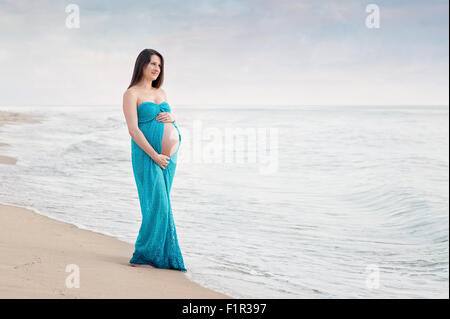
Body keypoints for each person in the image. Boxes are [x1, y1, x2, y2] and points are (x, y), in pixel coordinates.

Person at [122, 48, 187, 272]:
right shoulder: (131, 94)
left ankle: (161, 255)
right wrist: (154, 155)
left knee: (164, 204)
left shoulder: (162, 92)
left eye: (159, 65)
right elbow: (133, 130)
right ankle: (142, 255)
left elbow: (169, 117)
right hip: (147, 155)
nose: (156, 68)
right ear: (141, 65)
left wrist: (174, 118)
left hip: (169, 158)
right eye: (152, 63)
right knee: (156, 204)